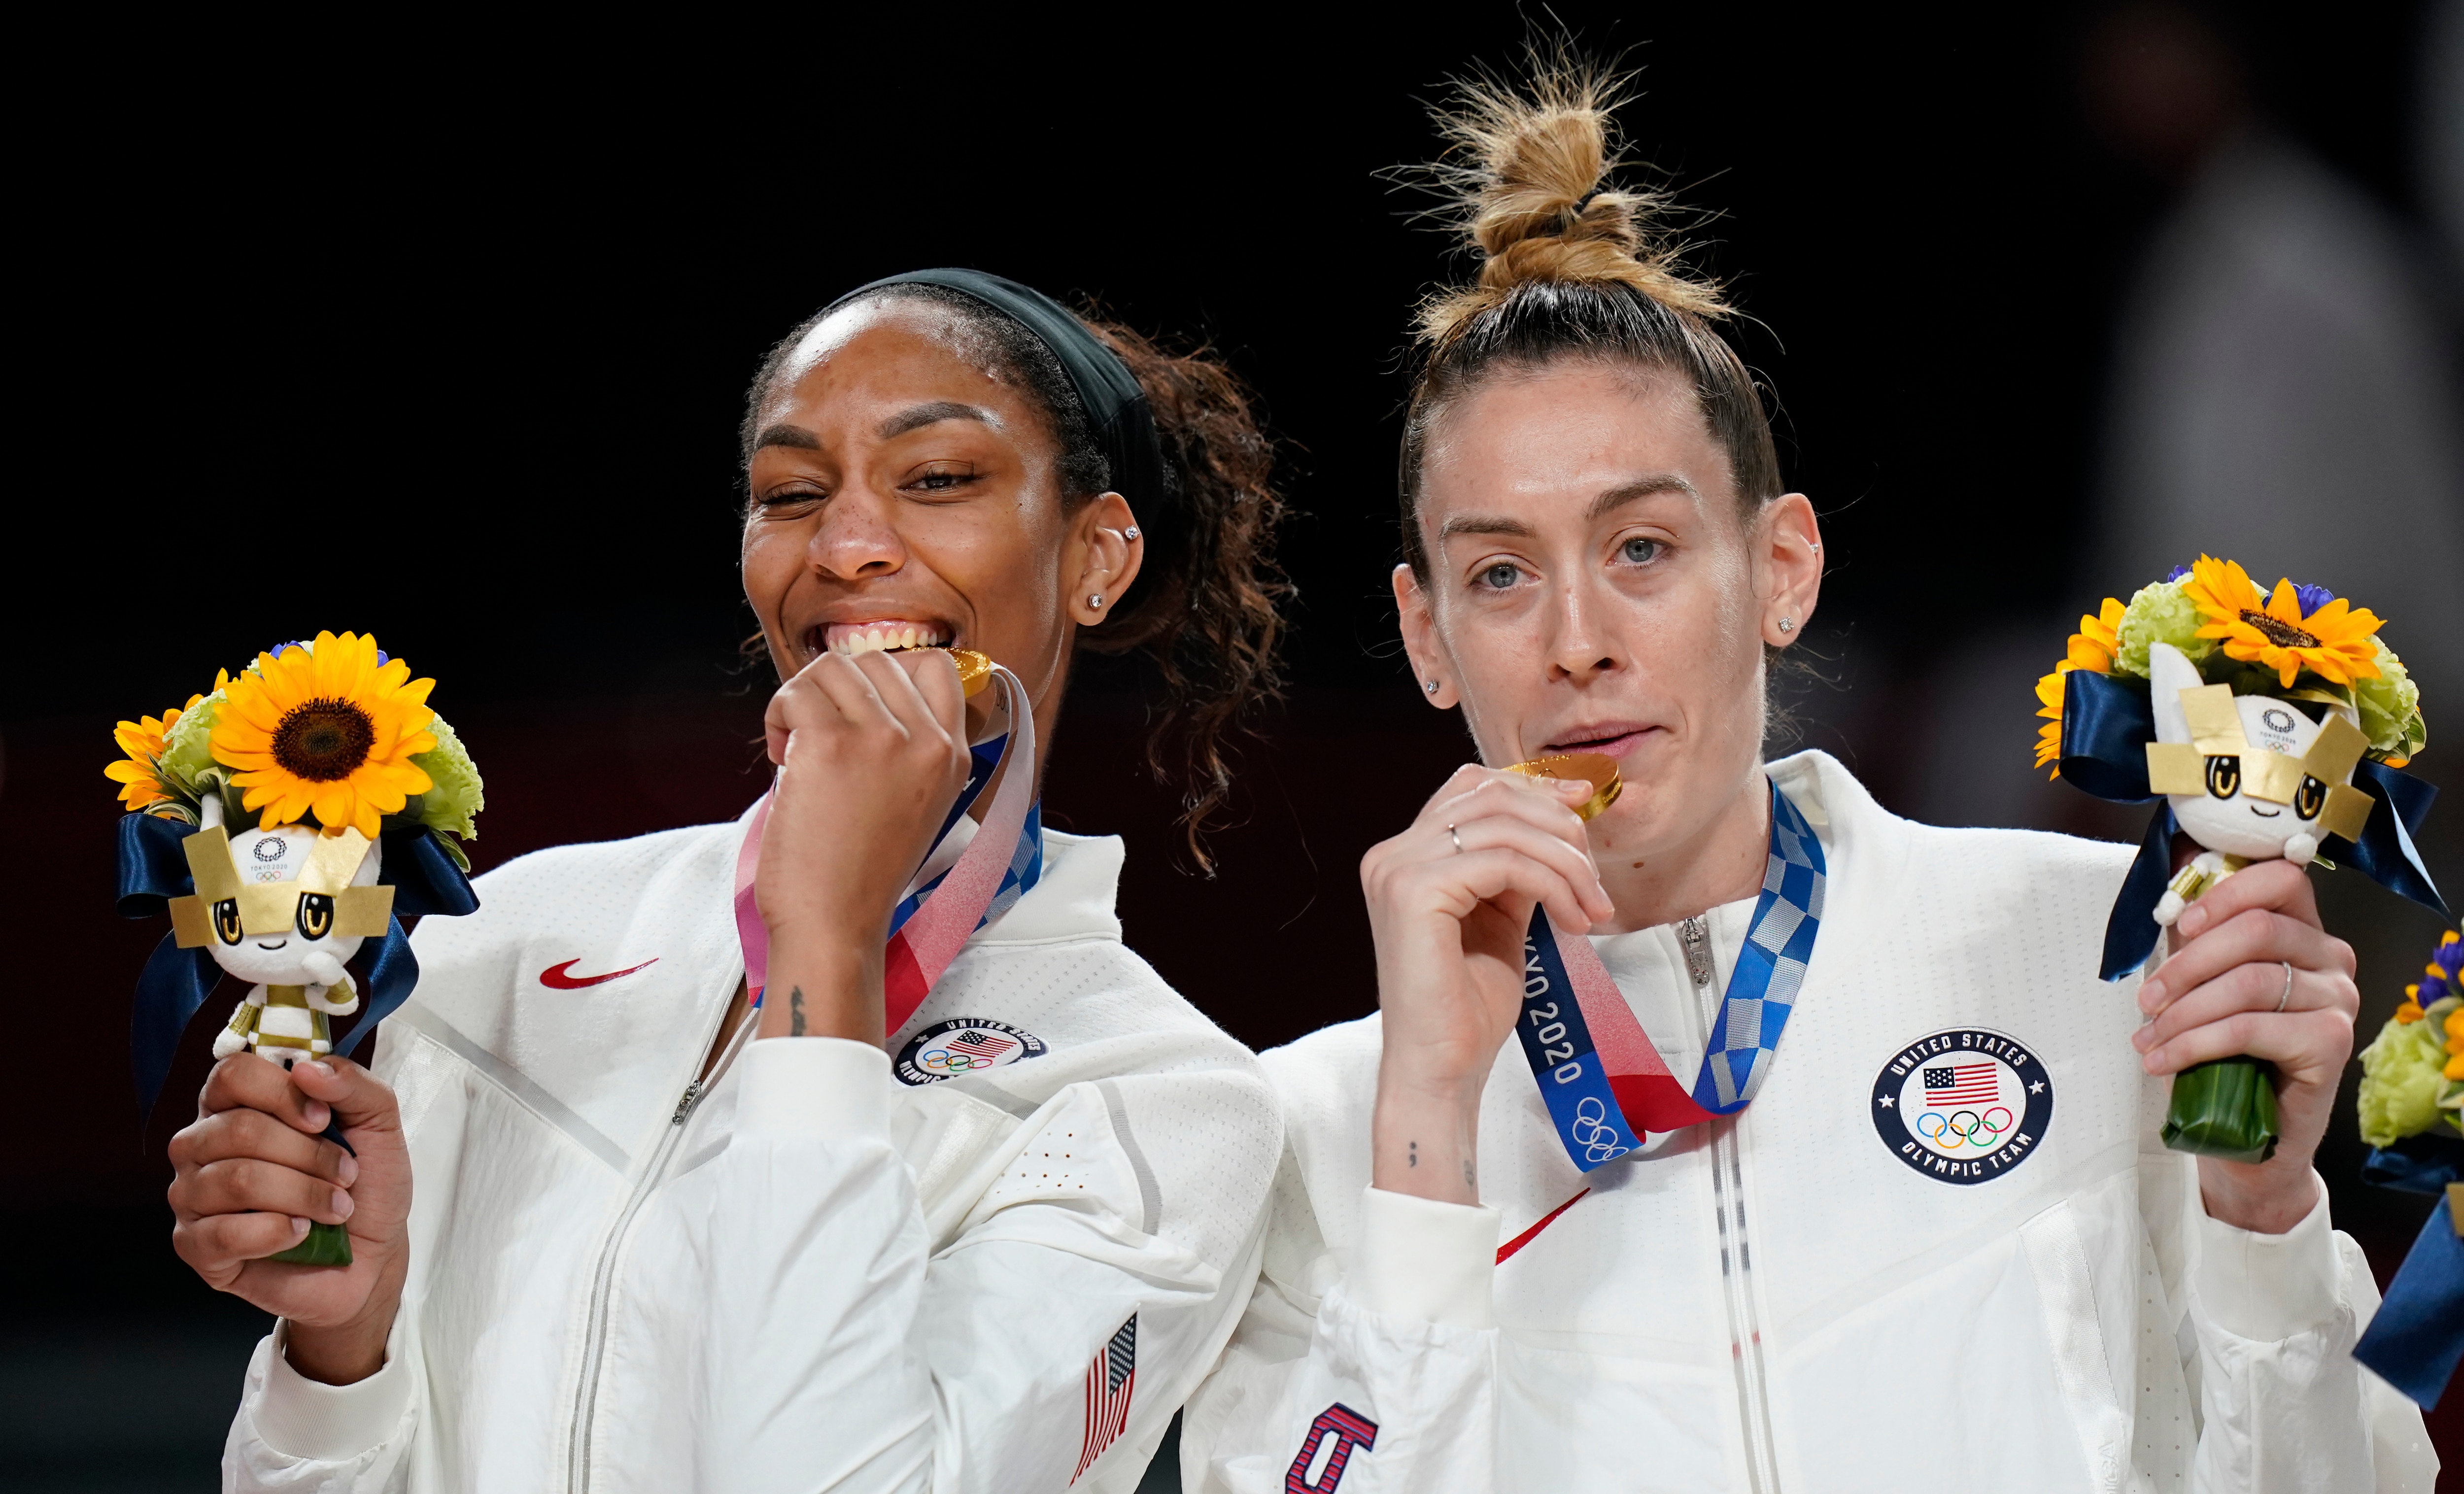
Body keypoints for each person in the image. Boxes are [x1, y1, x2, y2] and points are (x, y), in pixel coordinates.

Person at [1183, 61, 2437, 1493]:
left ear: (1782, 572)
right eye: (1501, 574)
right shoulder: (1316, 1131)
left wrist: (2268, 1218)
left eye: (1642, 549)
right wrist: (1423, 1138)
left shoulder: (2110, 964)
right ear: (1429, 637)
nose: (1578, 644)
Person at [172, 268, 1290, 1491]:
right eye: (791, 493)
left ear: (1097, 555)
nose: (847, 546)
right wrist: (343, 1348)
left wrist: (826, 943)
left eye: (937, 480)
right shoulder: (504, 944)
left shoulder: (1159, 1103)